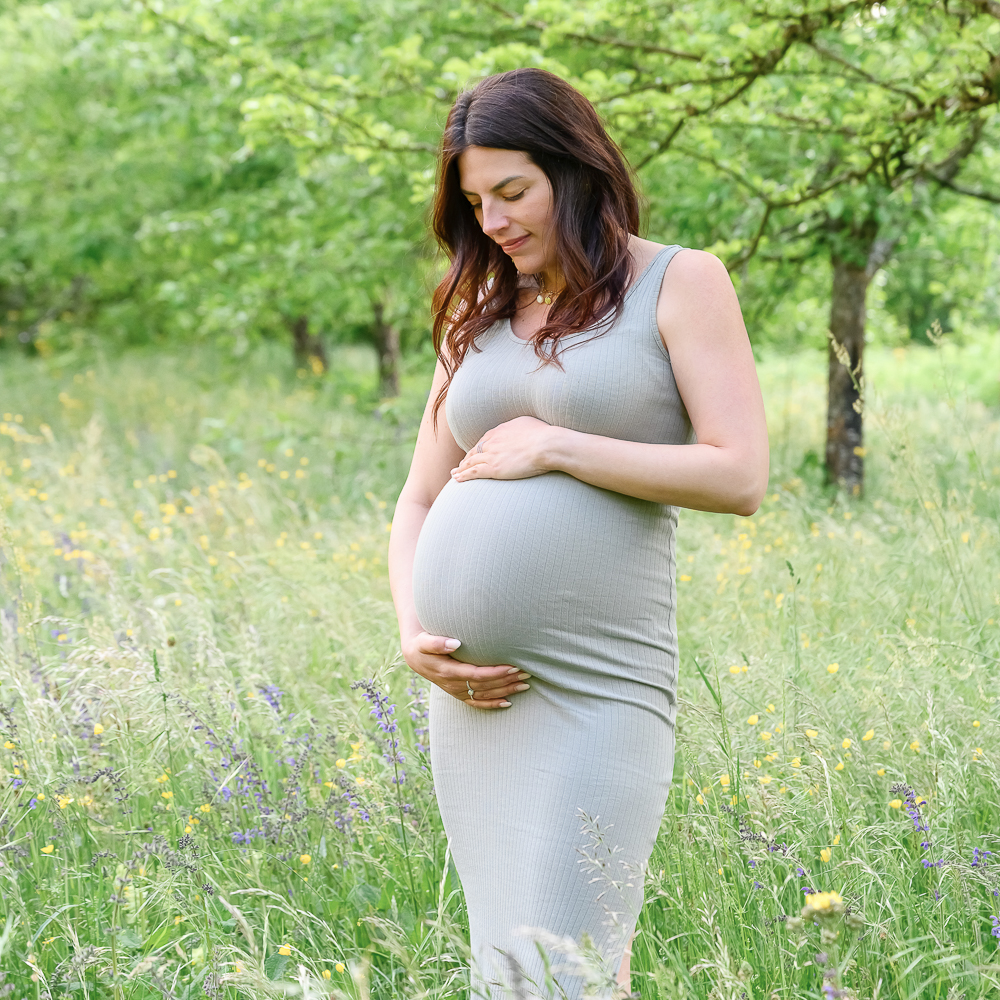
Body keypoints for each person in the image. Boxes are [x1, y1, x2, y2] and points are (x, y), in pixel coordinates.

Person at [388, 67, 769, 999]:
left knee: (561, 970)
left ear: (576, 168)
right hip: (479, 705)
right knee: (513, 970)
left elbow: (739, 473)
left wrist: (559, 446)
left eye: (513, 191)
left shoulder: (678, 283)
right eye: (476, 202)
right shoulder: (476, 315)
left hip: (599, 685)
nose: (495, 221)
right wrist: (414, 635)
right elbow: (418, 501)